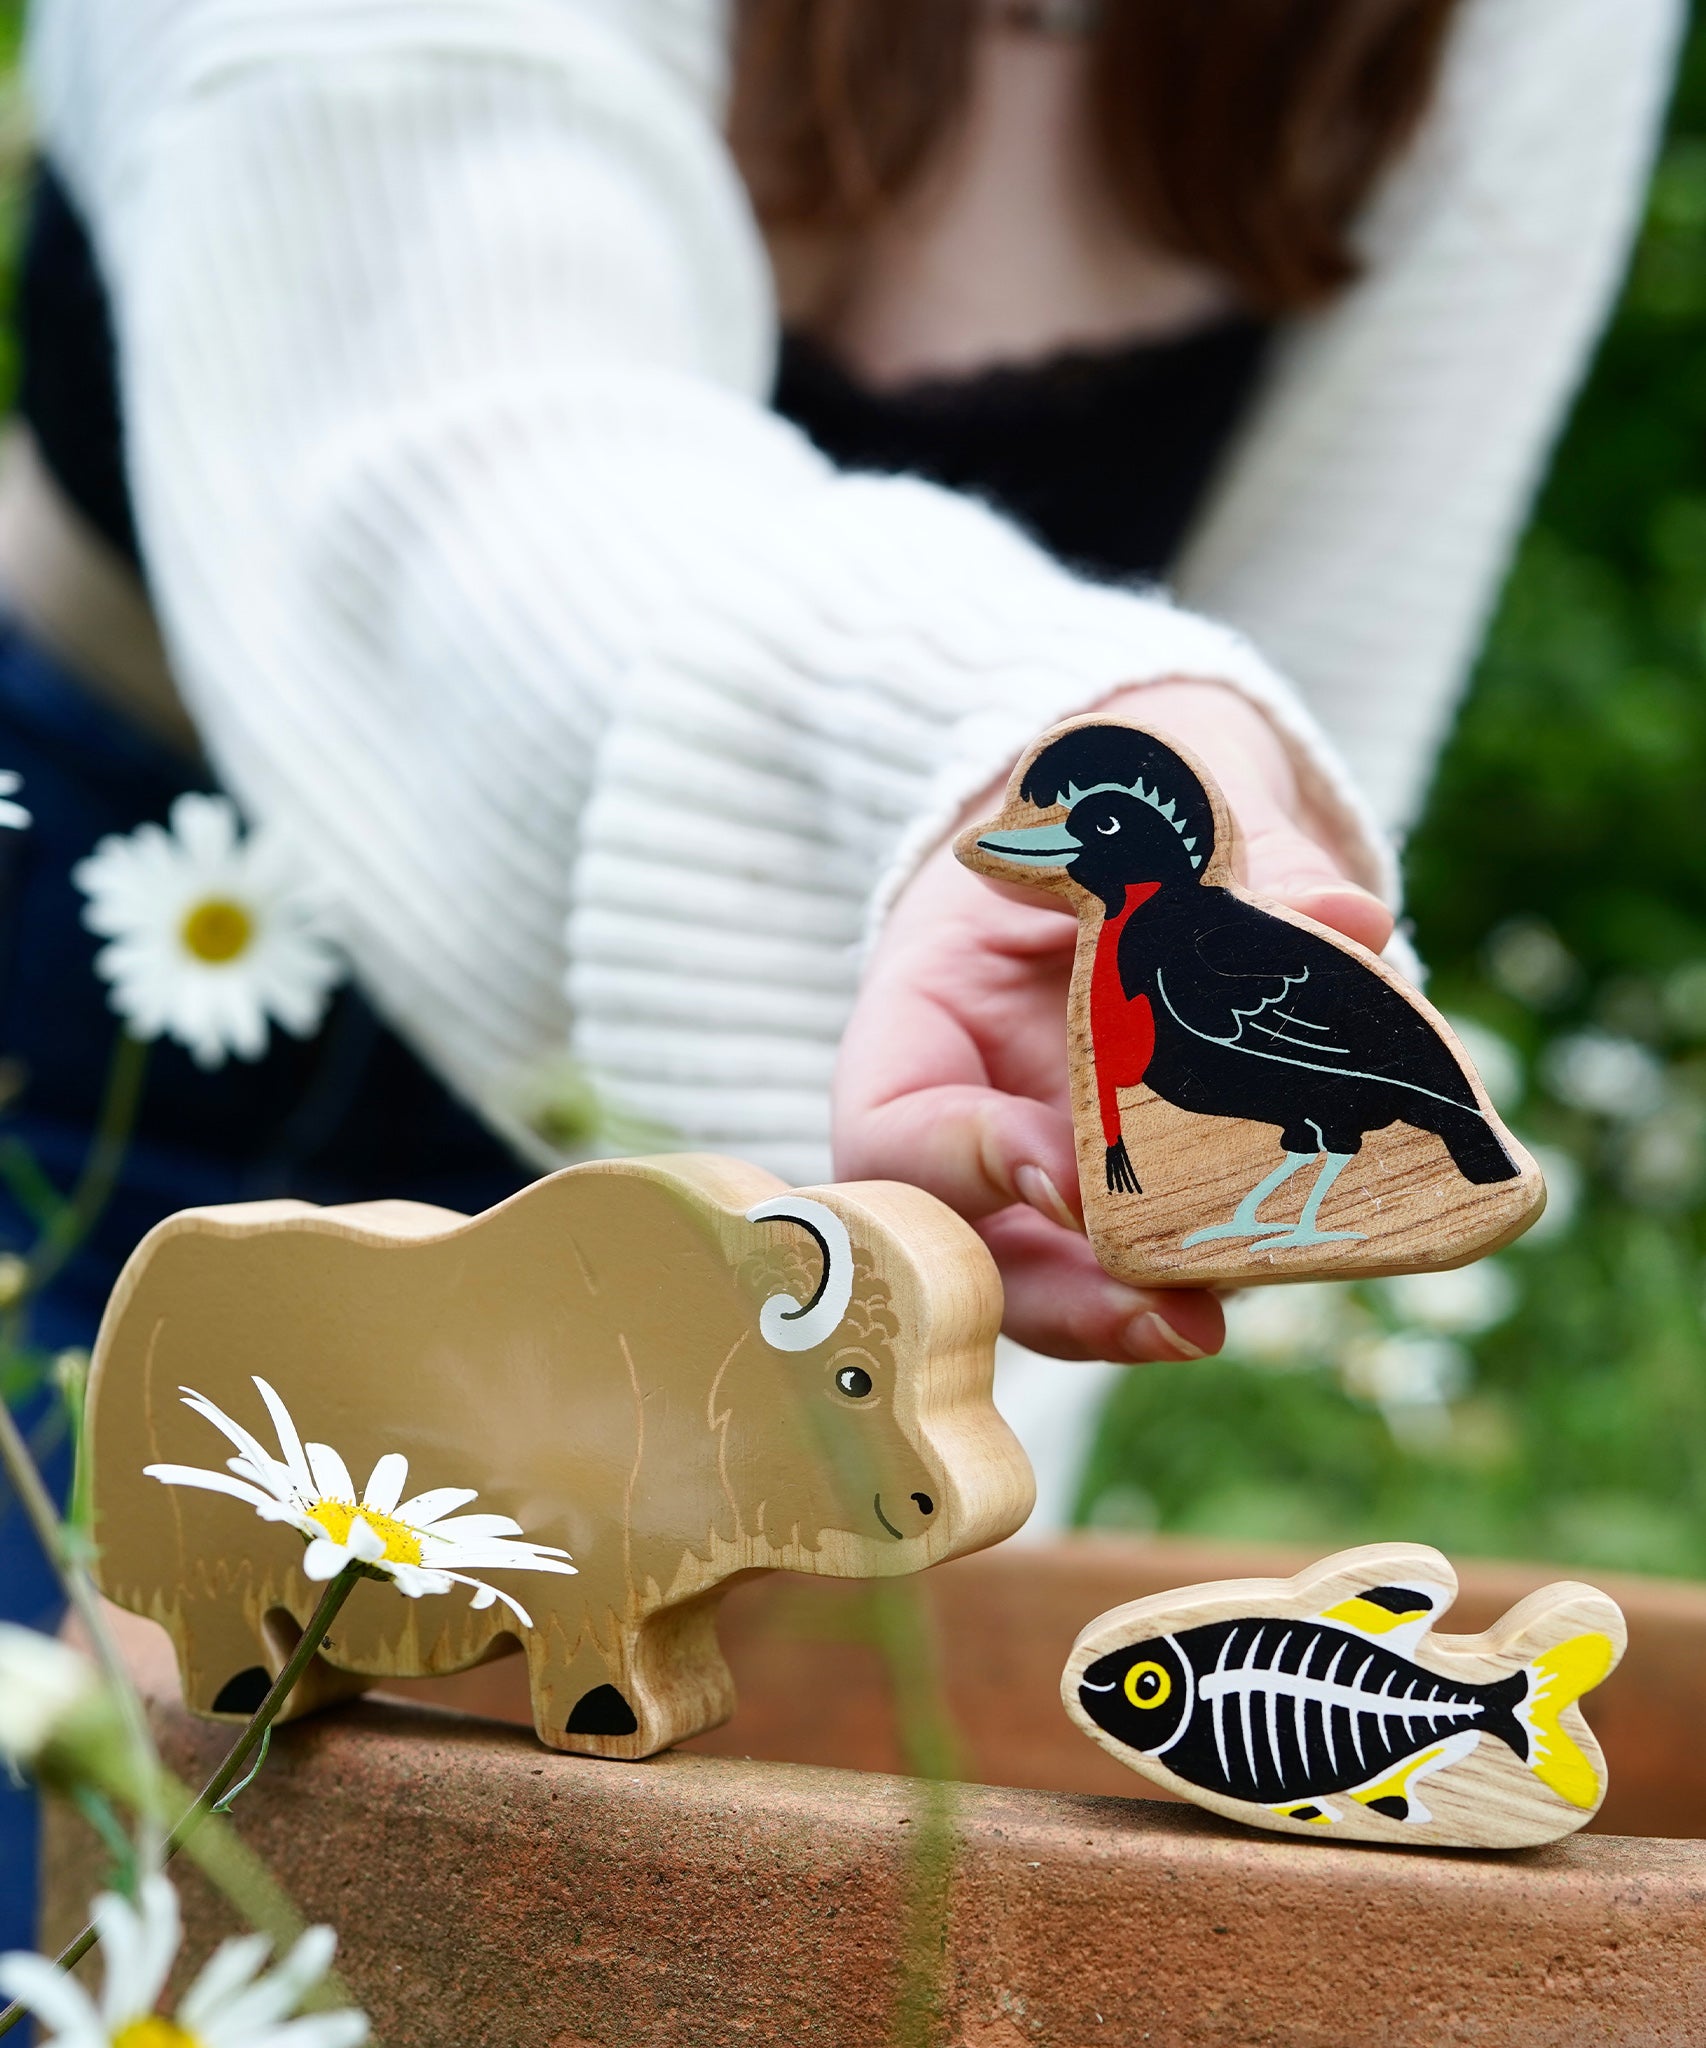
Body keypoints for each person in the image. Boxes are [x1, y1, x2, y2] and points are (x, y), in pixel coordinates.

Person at [0, 0, 1679, 1941]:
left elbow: (1315, 690)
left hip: (884, 1099)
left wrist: (971, 1375)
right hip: (156, 976)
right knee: (116, 1873)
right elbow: (446, 434)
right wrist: (982, 739)